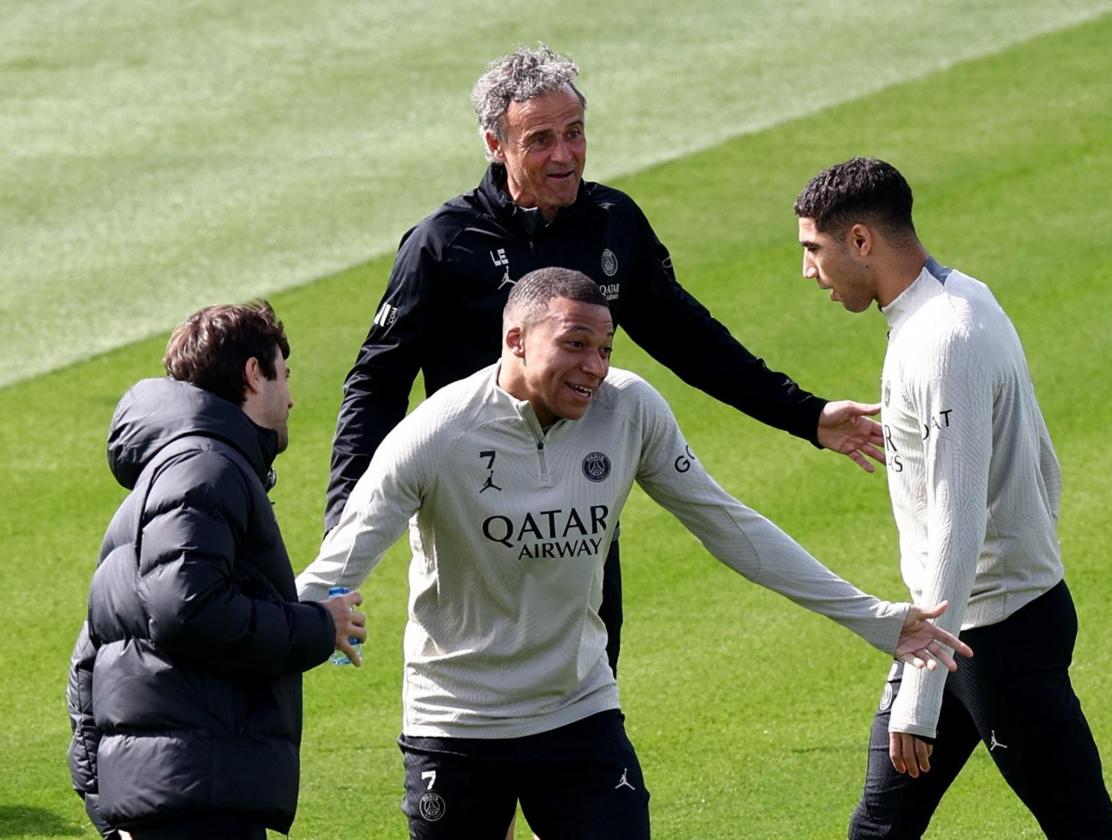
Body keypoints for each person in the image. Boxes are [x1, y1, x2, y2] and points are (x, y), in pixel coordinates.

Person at [296, 267, 973, 840]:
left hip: (577, 713)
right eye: (575, 344)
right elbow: (338, 564)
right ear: (514, 340)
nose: (595, 367)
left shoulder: (630, 411)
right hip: (455, 722)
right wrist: (278, 634)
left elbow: (730, 527)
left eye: (605, 348)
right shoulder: (437, 435)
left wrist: (877, 619)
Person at [324, 44, 885, 682]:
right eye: (540, 140)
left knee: (587, 673)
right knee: (472, 673)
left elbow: (689, 338)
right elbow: (377, 384)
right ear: (494, 143)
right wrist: (343, 542)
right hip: (472, 511)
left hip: (579, 503)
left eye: (575, 134)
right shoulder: (444, 243)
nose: (564, 156)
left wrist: (806, 416)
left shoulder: (613, 223)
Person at [794, 158, 1112, 839]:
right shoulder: (960, 300)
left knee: (1084, 828)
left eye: (814, 250)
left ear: (861, 241)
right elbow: (1042, 459)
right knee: (880, 829)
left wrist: (918, 693)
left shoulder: (944, 339)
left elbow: (957, 520)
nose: (809, 272)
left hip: (990, 637)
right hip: (966, 626)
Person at [66, 302, 368, 840]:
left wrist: (109, 800)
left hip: (175, 791)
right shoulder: (204, 467)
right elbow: (189, 609)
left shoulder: (173, 469)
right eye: (286, 374)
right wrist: (319, 626)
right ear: (255, 373)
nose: (294, 398)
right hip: (196, 798)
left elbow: (90, 653)